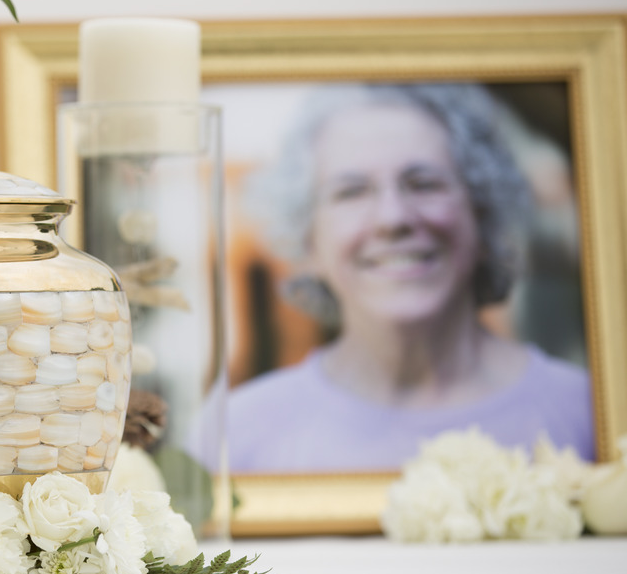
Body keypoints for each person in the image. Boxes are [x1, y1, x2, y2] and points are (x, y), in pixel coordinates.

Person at [194, 83, 594, 473]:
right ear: (307, 240)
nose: (393, 218)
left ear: (483, 216)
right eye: (351, 192)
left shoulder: (590, 414)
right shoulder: (234, 434)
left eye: (424, 183)